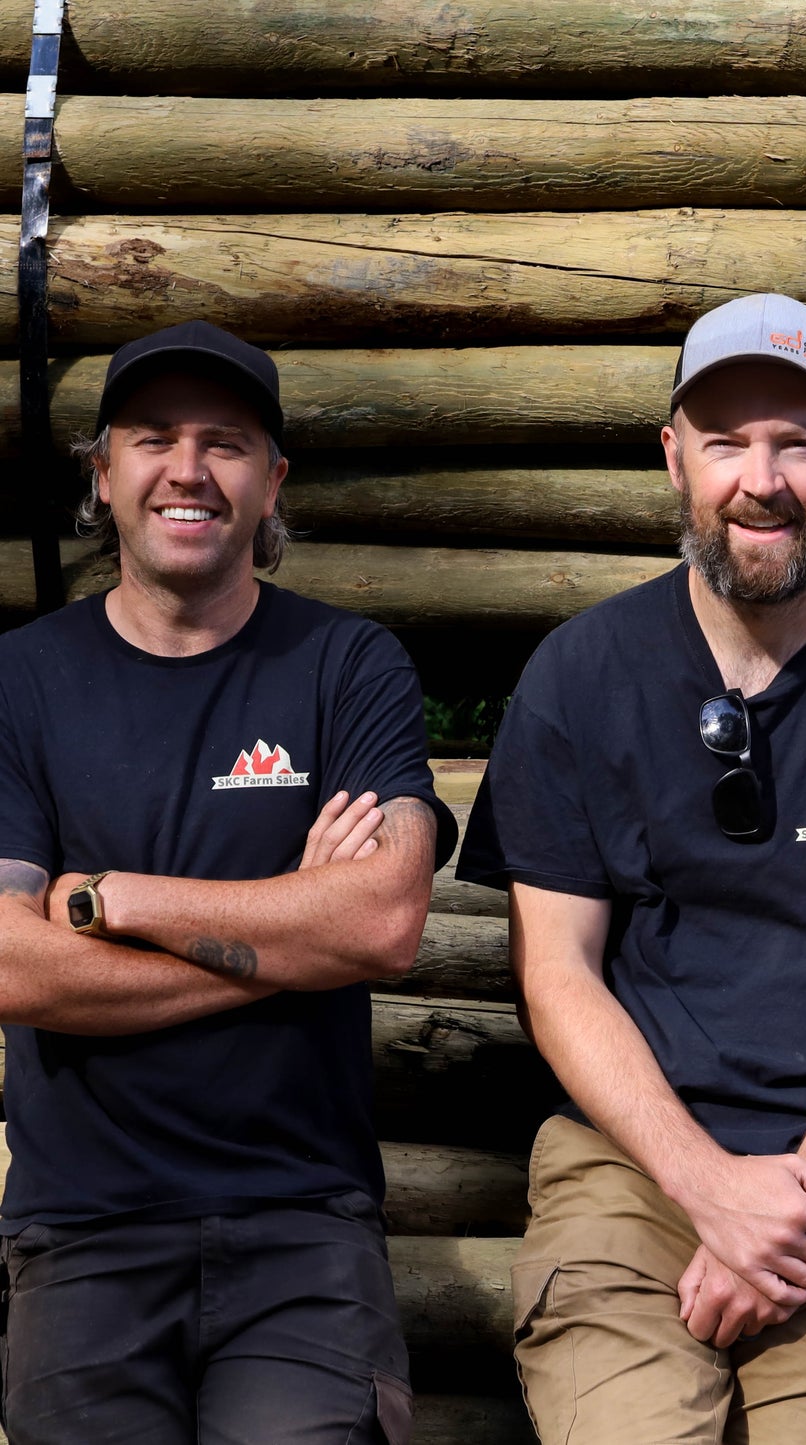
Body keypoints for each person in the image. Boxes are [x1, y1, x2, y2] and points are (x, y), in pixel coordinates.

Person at [457, 292, 806, 1444]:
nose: (757, 478)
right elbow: (556, 975)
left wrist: (791, 1215)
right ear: (673, 458)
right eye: (723, 440)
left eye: (794, 442)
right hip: (627, 1158)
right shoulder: (578, 674)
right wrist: (710, 1188)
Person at [0, 320, 458, 1444]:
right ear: (101, 475)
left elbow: (384, 921)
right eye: (153, 438)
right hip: (82, 1236)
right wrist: (288, 939)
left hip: (303, 1227)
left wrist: (110, 899)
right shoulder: (20, 679)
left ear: (272, 482)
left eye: (227, 442)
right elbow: (9, 963)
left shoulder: (347, 664)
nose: (188, 469)